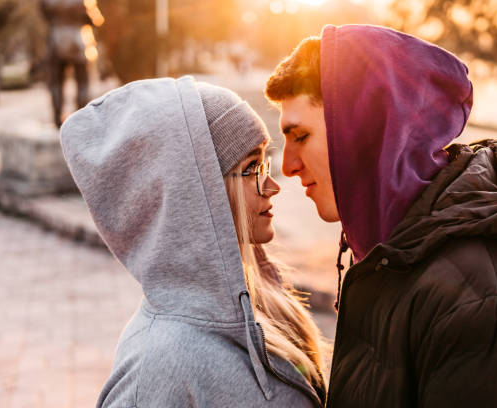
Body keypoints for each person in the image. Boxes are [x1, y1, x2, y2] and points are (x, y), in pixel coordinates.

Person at [264, 24, 497, 407]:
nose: (286, 166)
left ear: (365, 131)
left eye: (300, 136)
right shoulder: (394, 261)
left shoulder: (489, 304)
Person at [59, 76, 326, 407]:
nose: (272, 186)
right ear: (198, 192)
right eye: (251, 168)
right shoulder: (155, 369)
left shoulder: (267, 299)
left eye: (264, 162)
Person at [41, 0, 91, 128]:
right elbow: (89, 18)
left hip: (56, 40)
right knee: (82, 82)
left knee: (56, 83)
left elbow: (44, 14)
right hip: (76, 40)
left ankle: (57, 119)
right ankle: (82, 117)